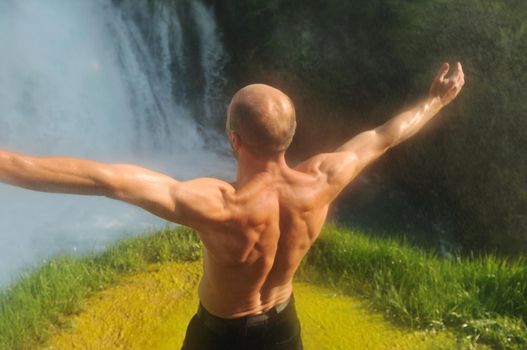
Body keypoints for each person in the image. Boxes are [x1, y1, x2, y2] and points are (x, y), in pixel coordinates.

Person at [0, 62, 464, 349]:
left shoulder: (217, 206)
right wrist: (435, 100)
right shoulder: (322, 179)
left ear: (234, 138)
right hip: (283, 326)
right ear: (291, 135)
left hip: (218, 336)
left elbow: (104, 180)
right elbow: (384, 136)